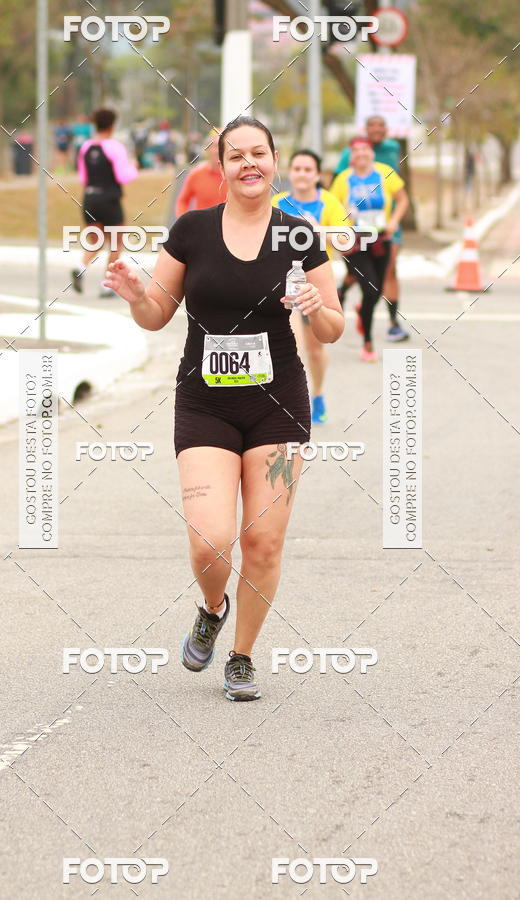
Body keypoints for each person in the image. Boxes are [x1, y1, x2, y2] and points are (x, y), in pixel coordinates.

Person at [103, 116, 343, 701]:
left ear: (275, 160)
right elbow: (157, 313)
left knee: (263, 542)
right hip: (205, 403)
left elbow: (333, 328)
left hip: (278, 403)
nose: (248, 164)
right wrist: (138, 296)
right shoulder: (192, 231)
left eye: (257, 153)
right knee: (210, 541)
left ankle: (241, 656)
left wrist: (314, 307)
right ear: (221, 167)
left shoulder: (300, 234)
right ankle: (213, 606)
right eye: (236, 156)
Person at [272, 149, 349, 424]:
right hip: (280, 283)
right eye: (297, 169)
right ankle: (285, 400)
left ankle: (317, 394)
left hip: (314, 284)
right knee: (290, 346)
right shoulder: (278, 202)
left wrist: (320, 232)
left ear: (317, 175)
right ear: (289, 173)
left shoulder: (329, 203)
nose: (302, 174)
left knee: (315, 350)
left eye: (308, 169)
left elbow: (347, 242)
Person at [330, 136, 408, 362]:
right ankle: (368, 343)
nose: (362, 154)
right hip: (355, 241)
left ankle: (361, 309)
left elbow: (403, 199)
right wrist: (339, 235)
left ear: (371, 153)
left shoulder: (385, 172)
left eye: (365, 149)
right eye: (357, 150)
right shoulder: (343, 179)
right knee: (371, 289)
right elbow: (332, 208)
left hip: (381, 238)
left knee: (377, 288)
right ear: (351, 156)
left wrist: (394, 220)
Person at [71, 108, 138, 298]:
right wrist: (134, 168)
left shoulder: (85, 148)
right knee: (116, 243)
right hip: (109, 199)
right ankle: (107, 285)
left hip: (89, 198)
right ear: (111, 125)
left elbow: (83, 178)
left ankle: (80, 267)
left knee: (95, 241)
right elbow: (122, 175)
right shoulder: (114, 147)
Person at [175, 130, 228, 216]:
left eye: (222, 147)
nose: (218, 151)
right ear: (208, 149)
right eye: (215, 146)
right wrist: (184, 223)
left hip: (230, 227)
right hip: (202, 227)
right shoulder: (196, 174)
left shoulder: (234, 174)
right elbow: (182, 201)